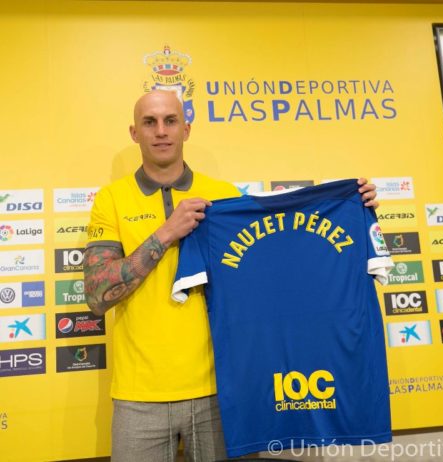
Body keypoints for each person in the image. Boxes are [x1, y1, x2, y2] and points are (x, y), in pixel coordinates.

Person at [83, 89, 379, 462]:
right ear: (134, 133)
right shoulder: (111, 199)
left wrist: (353, 209)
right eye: (149, 122)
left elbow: (283, 262)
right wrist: (166, 233)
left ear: (186, 129)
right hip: (139, 396)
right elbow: (97, 295)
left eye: (170, 121)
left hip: (223, 391)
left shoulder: (224, 197)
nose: (160, 131)